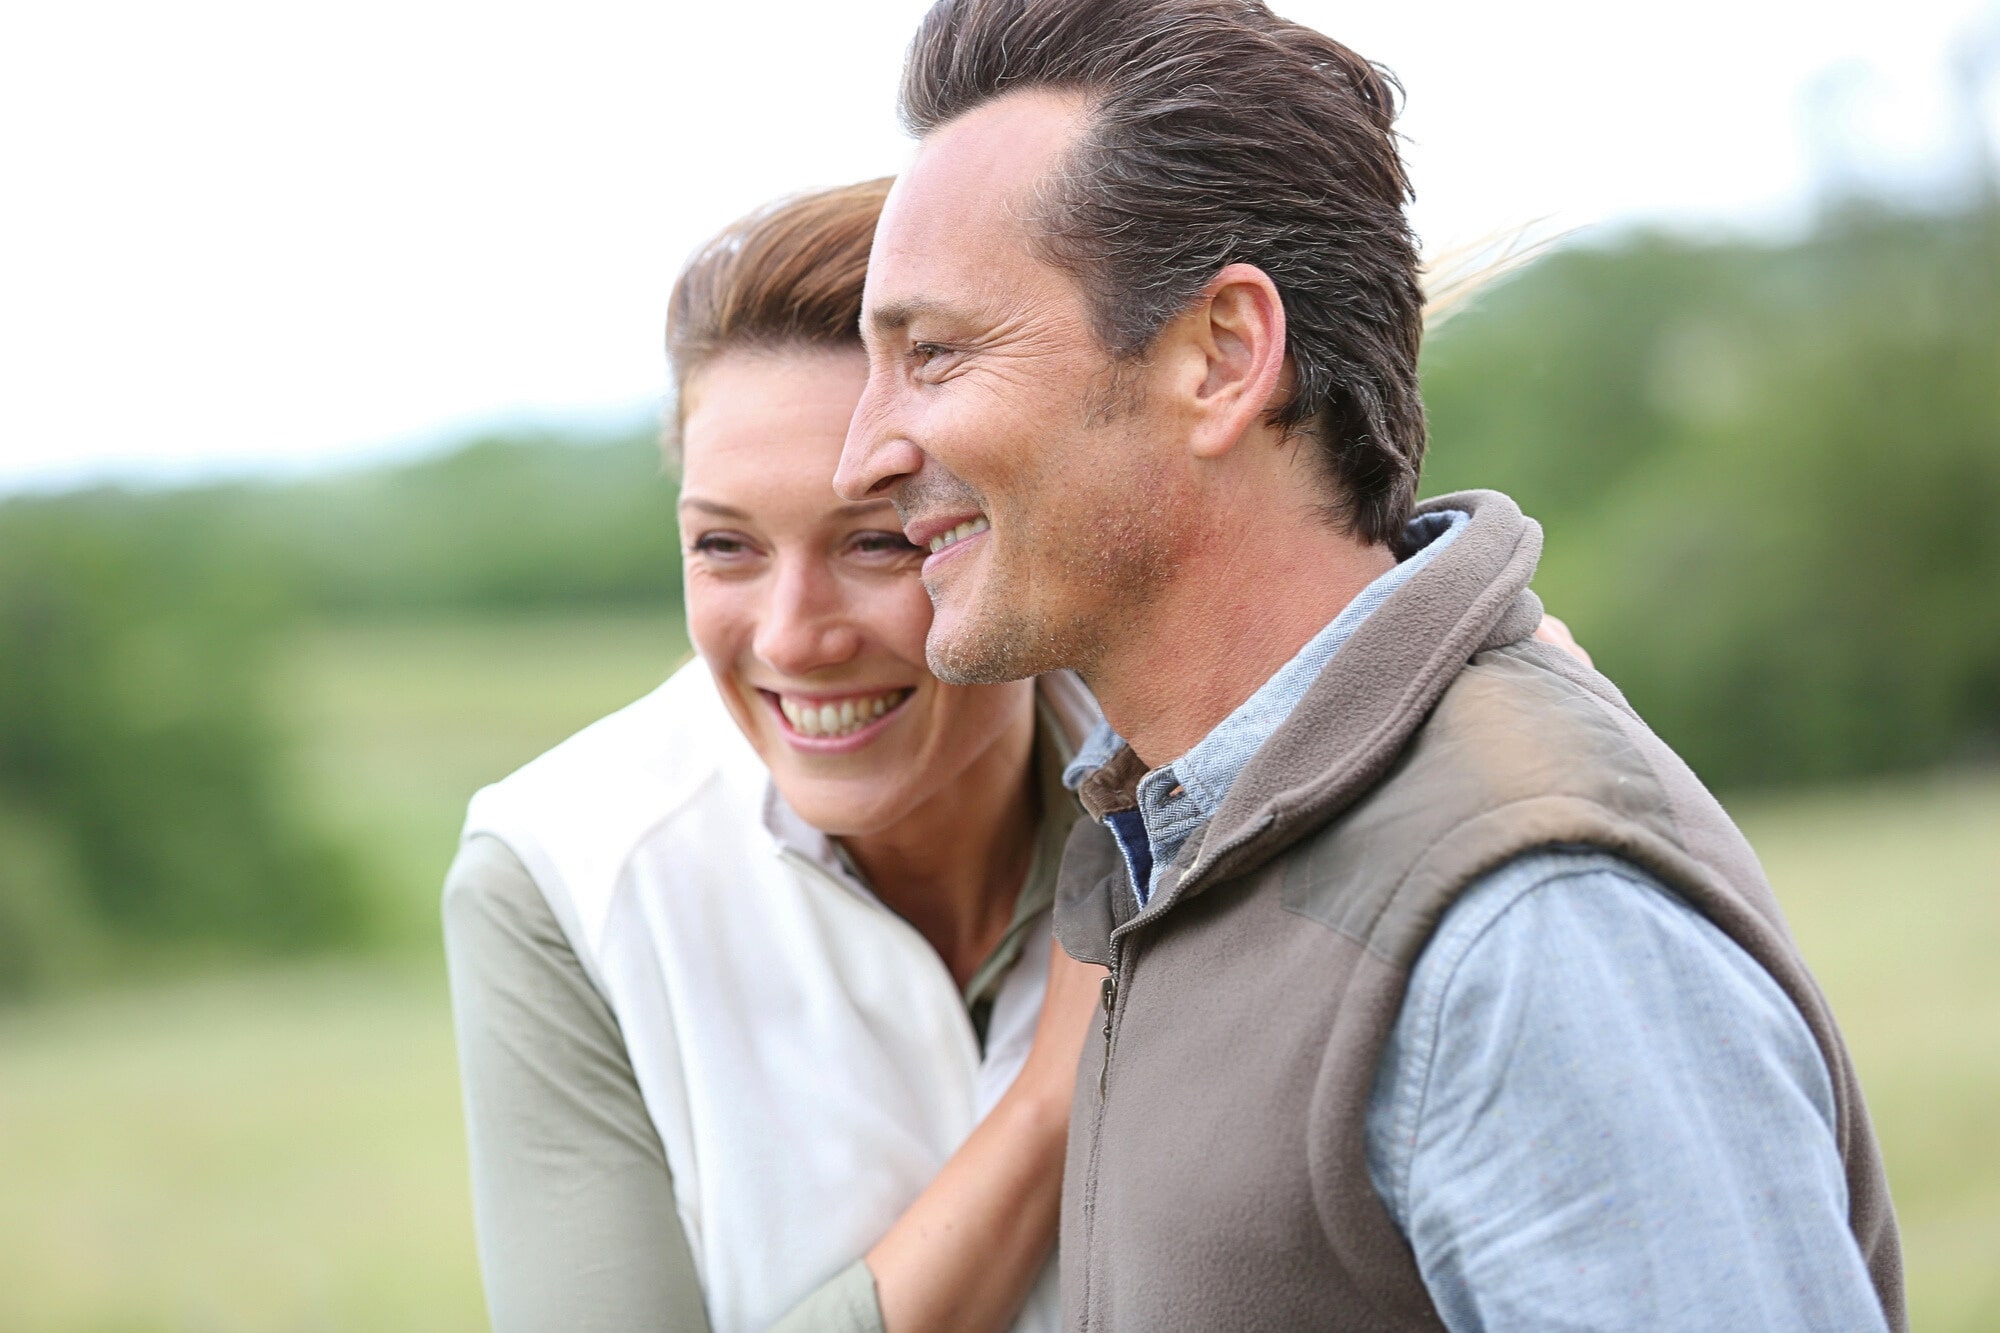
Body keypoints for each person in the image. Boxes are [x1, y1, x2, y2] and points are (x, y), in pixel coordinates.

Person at [835, 2, 1906, 1331]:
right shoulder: (1191, 839)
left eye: (933, 354)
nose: (862, 456)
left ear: (1222, 357)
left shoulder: (1522, 923)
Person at [442, 180, 1102, 1333]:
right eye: (724, 545)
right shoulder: (557, 878)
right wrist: (1052, 1102)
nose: (793, 637)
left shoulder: (1211, 778)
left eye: (878, 541)